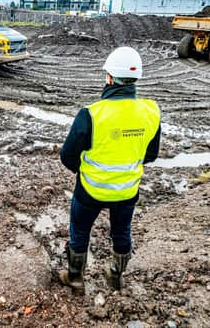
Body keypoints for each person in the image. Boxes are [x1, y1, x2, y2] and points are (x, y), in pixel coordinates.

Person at [59, 46, 161, 294]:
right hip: (127, 191)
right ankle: (115, 275)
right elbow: (151, 155)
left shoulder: (91, 114)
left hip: (90, 190)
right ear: (136, 79)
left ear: (109, 78)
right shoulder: (151, 112)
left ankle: (75, 277)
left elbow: (67, 156)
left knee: (80, 231)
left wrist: (84, 171)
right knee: (121, 232)